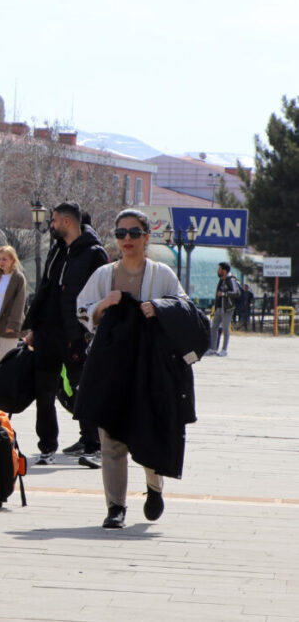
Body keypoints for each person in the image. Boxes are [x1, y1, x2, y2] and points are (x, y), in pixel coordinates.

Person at [76, 209, 194, 529]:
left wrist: (158, 307)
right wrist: (105, 303)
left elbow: (184, 307)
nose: (126, 239)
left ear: (146, 237)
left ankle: (154, 488)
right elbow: (82, 311)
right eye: (120, 233)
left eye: (133, 233)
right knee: (111, 437)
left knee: (148, 430)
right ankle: (115, 506)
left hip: (151, 368)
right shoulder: (104, 275)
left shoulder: (161, 274)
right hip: (112, 367)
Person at [22, 201, 109, 467]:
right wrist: (34, 327)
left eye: (54, 220)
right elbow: (45, 288)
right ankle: (47, 446)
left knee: (83, 389)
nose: (51, 225)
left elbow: (102, 294)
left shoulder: (94, 253)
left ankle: (93, 445)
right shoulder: (57, 251)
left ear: (67, 222)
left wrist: (92, 332)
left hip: (76, 334)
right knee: (44, 393)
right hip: (47, 333)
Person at [206, 262, 241, 356]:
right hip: (219, 308)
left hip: (227, 309)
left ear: (224, 271)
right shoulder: (221, 280)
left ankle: (224, 350)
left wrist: (224, 294)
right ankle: (213, 349)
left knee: (225, 328)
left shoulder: (231, 280)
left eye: (220, 269)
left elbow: (237, 293)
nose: (218, 271)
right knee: (214, 328)